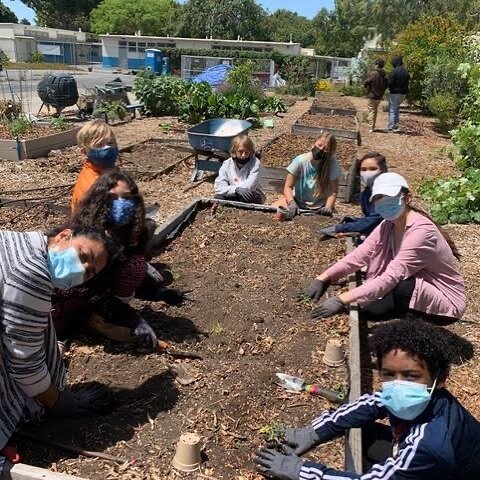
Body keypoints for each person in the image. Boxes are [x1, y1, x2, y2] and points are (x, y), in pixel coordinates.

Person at [255, 318, 480, 480]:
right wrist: (313, 431)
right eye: (389, 374)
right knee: (365, 434)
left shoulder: (429, 444)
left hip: (450, 470)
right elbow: (370, 403)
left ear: (439, 379)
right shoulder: (426, 396)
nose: (398, 384)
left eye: (411, 376)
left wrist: (299, 470)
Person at [0, 226, 114, 473]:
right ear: (64, 235)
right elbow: (23, 361)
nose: (83, 269)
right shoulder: (32, 272)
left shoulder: (20, 243)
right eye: (84, 256)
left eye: (90, 271)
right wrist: (58, 402)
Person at [301, 172, 465, 324]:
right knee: (367, 310)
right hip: (413, 286)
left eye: (389, 197)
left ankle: (411, 325)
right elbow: (360, 255)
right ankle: (403, 315)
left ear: (407, 198)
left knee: (399, 288)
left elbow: (391, 277)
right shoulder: (388, 225)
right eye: (379, 197)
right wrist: (324, 277)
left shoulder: (421, 232)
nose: (383, 202)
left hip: (445, 301)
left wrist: (341, 299)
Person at [53, 171, 190, 351]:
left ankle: (98, 320)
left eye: (126, 197)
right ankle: (74, 330)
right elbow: (92, 293)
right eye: (112, 197)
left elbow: (120, 278)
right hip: (64, 304)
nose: (121, 204)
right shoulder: (82, 240)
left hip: (97, 298)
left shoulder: (126, 237)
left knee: (136, 265)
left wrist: (158, 293)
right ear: (99, 201)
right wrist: (133, 319)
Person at [317, 152, 387, 239]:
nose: (367, 173)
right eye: (363, 169)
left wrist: (339, 228)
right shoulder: (366, 193)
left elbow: (373, 220)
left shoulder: (387, 194)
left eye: (373, 169)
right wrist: (350, 219)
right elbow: (369, 219)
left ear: (383, 170)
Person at [273, 133, 341, 220]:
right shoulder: (300, 161)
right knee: (270, 212)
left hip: (320, 206)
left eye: (326, 149)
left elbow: (333, 191)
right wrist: (291, 202)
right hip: (298, 201)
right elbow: (288, 187)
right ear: (314, 143)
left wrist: (328, 207)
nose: (320, 149)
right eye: (319, 145)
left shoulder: (332, 164)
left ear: (330, 153)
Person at [71, 120, 119, 212]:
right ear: (85, 152)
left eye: (110, 143)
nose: (107, 148)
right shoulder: (94, 186)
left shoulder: (106, 171)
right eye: (99, 145)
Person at [214, 134, 265, 204]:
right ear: (234, 151)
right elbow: (219, 187)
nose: (243, 155)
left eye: (246, 152)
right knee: (218, 198)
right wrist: (236, 189)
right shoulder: (227, 164)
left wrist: (234, 190)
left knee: (247, 198)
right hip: (233, 193)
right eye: (241, 152)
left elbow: (249, 186)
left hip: (252, 194)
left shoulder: (255, 163)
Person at [364, 59, 388, 133]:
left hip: (372, 95)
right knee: (375, 111)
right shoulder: (385, 75)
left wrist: (366, 86)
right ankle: (372, 126)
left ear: (377, 64)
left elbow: (367, 82)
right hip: (379, 96)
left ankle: (371, 127)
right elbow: (386, 85)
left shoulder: (374, 73)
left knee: (371, 111)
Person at [387, 56, 410, 132]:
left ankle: (391, 126)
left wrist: (390, 89)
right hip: (403, 94)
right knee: (397, 108)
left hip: (394, 93)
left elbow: (390, 82)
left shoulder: (394, 72)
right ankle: (396, 125)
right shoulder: (406, 72)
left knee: (392, 109)